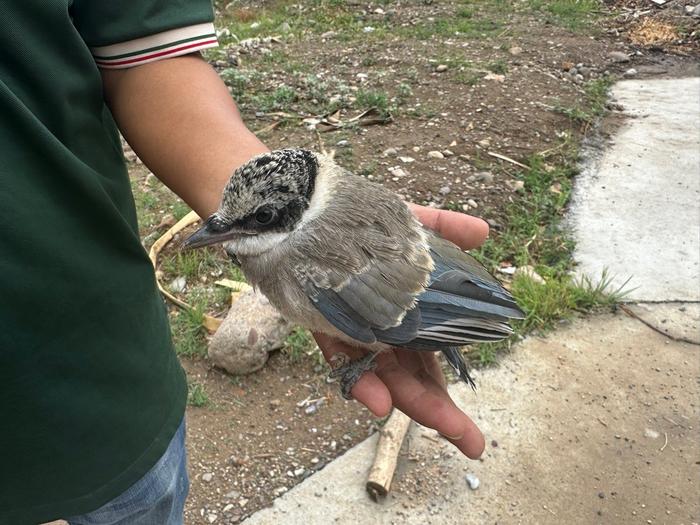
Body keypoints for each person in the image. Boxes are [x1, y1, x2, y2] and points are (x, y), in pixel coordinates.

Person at [0, 1, 487, 523]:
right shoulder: (295, 248)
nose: (216, 229)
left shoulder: (317, 260)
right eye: (227, 220)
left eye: (253, 221)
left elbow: (145, 55)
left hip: (108, 396)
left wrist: (379, 344)